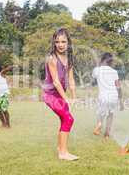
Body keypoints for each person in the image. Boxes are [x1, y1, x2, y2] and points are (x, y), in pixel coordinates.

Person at [42, 28, 78, 161]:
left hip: (60, 95)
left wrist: (74, 96)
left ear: (68, 42)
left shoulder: (68, 59)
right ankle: (63, 153)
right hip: (50, 95)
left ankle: (60, 148)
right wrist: (67, 99)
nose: (60, 44)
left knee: (65, 119)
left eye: (63, 41)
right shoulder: (52, 58)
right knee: (69, 119)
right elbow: (56, 82)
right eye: (57, 42)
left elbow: (71, 79)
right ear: (54, 43)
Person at [92, 53, 124, 139]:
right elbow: (118, 86)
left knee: (100, 114)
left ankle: (99, 124)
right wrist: (121, 101)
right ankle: (106, 134)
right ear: (111, 61)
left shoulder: (97, 70)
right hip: (114, 96)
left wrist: (99, 64)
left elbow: (94, 78)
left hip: (103, 96)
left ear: (102, 60)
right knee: (110, 114)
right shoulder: (114, 72)